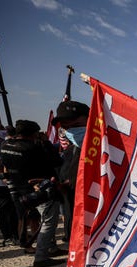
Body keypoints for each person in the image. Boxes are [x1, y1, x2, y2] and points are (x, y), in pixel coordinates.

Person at [0, 120, 65, 267]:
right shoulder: (33, 148)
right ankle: (41, 256)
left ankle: (50, 247)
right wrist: (46, 143)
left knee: (25, 218)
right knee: (48, 221)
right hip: (39, 190)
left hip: (18, 189)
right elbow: (56, 161)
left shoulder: (4, 145)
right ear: (33, 134)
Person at [52, 100, 89, 242]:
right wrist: (61, 187)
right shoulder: (70, 151)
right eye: (67, 127)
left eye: (77, 125)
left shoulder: (109, 149)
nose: (72, 131)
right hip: (78, 231)